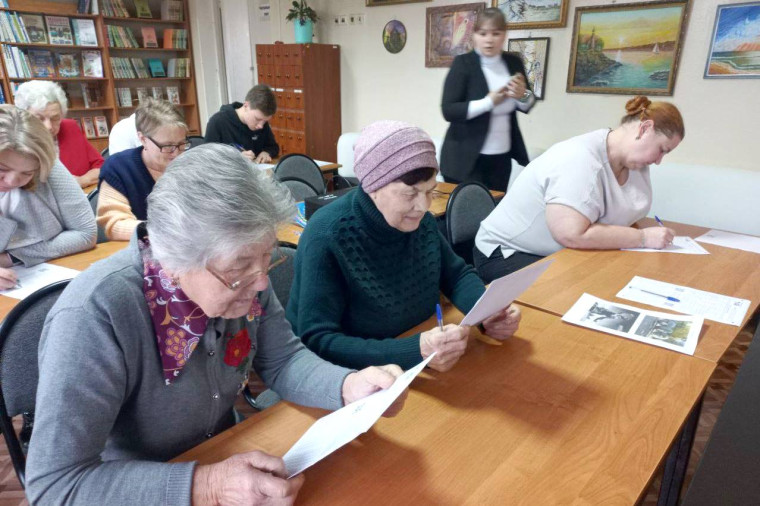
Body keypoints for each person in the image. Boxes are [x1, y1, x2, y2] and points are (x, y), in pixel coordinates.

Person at [26, 144, 408, 505]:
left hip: (225, 455)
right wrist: (205, 486)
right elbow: (56, 485)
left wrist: (348, 386)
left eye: (267, 256)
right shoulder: (94, 315)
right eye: (239, 267)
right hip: (135, 490)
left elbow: (284, 360)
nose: (262, 283)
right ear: (174, 259)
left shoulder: (245, 281)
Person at [286, 120, 521, 373]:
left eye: (430, 191)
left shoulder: (421, 222)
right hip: (358, 374)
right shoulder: (326, 235)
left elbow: (456, 275)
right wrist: (414, 351)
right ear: (373, 186)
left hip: (416, 352)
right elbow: (319, 340)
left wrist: (487, 313)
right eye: (410, 194)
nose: (423, 206)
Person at [474, 96, 684, 282]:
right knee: (584, 290)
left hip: (562, 251)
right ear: (645, 129)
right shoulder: (579, 158)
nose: (658, 161)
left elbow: (628, 216)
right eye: (661, 150)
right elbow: (570, 234)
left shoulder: (634, 164)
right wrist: (643, 238)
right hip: (507, 252)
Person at [0, 105, 95, 289]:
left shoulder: (47, 164)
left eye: (27, 173)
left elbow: (86, 233)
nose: (12, 181)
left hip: (52, 275)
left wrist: (11, 258)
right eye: (2, 169)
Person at [439, 7, 534, 192]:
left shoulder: (513, 62)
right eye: (483, 33)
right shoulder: (463, 64)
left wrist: (522, 95)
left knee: (495, 207)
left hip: (501, 159)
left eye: (495, 33)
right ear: (474, 35)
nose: (489, 39)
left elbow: (528, 104)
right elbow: (448, 110)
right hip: (464, 160)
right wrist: (488, 103)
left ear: (504, 35)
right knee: (467, 209)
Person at [97, 99, 188, 241]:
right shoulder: (118, 168)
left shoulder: (191, 164)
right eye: (167, 146)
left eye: (182, 144)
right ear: (143, 139)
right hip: (141, 247)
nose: (176, 153)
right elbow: (114, 224)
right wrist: (164, 231)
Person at [14, 80, 104, 188]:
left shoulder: (69, 127)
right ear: (23, 118)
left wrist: (82, 180)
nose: (48, 126)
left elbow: (101, 166)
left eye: (55, 118)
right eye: (39, 119)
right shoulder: (17, 143)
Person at [204, 84, 279, 163]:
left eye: (265, 121)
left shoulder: (261, 123)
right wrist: (235, 158)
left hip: (255, 169)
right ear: (246, 106)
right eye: (257, 119)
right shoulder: (217, 122)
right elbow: (207, 157)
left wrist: (266, 152)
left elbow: (273, 147)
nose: (260, 126)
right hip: (229, 170)